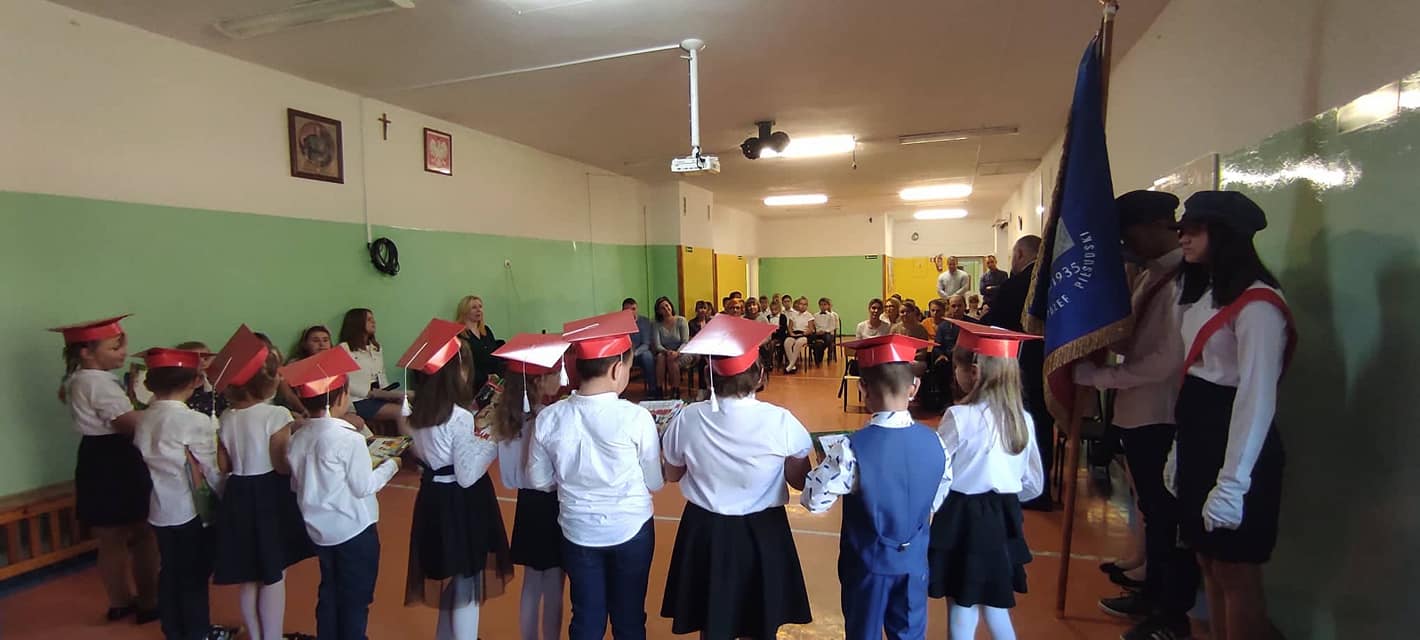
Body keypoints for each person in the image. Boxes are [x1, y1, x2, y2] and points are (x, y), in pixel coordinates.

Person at [1073, 190, 1199, 639]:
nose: (1126, 246)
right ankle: (1151, 593)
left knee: (1166, 518)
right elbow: (1130, 340)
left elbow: (1167, 360)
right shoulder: (1150, 277)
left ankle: (1167, 611)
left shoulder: (1185, 283)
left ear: (1156, 226)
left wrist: (1100, 376)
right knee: (1149, 508)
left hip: (1160, 412)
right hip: (1136, 411)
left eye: (1129, 235)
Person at [1171, 191, 1296, 640]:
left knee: (1236, 569)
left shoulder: (1258, 304)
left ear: (1225, 235)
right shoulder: (1208, 294)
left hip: (1237, 442)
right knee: (1209, 560)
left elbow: (1256, 398)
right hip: (1201, 433)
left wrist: (1234, 483)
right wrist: (1178, 449)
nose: (1183, 237)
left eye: (1195, 229)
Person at [661, 315, 814, 638]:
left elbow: (672, 473)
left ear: (709, 376)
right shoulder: (781, 421)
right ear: (759, 375)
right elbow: (800, 480)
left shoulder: (688, 418)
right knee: (761, 616)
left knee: (712, 617)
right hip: (763, 530)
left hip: (705, 529)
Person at [801, 334, 951, 640]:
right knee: (910, 633)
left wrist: (824, 467)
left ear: (863, 388)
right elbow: (937, 497)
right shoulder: (936, 442)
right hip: (914, 561)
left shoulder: (849, 448)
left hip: (867, 564)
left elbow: (813, 501)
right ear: (914, 387)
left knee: (863, 633)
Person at [528, 311, 663, 640]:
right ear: (618, 369)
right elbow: (654, 482)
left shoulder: (549, 418)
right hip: (631, 529)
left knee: (586, 618)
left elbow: (538, 480)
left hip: (578, 532)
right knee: (629, 619)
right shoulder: (636, 417)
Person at [928, 321, 1045, 640]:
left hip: (962, 519)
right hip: (1004, 518)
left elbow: (937, 471)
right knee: (995, 606)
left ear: (973, 372)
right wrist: (1004, 492)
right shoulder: (1023, 420)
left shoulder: (959, 417)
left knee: (961, 606)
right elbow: (1033, 484)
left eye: (957, 365)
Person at [399, 319, 514, 640]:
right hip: (461, 504)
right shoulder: (458, 417)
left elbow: (435, 456)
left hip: (432, 498)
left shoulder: (414, 413)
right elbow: (466, 474)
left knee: (451, 579)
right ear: (457, 371)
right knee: (466, 583)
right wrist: (492, 439)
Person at [282, 348, 401, 640]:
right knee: (356, 598)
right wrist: (392, 465)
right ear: (340, 398)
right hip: (354, 530)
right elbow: (363, 486)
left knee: (330, 590)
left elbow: (296, 485)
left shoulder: (298, 438)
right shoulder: (348, 439)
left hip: (320, 531)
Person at [49, 315, 160, 624]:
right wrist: (161, 411)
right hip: (117, 458)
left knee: (110, 538)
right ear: (86, 352)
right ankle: (150, 602)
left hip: (95, 456)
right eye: (114, 348)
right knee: (143, 533)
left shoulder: (79, 379)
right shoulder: (97, 382)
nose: (123, 353)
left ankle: (119, 601)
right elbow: (127, 424)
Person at [210, 326, 314, 640]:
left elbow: (224, 465)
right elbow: (281, 463)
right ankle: (272, 636)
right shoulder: (277, 415)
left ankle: (257, 636)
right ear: (267, 381)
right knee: (273, 573)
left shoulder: (227, 417)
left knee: (248, 574)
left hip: (238, 494)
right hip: (269, 495)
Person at [130, 346, 229, 640]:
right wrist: (227, 495)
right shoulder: (193, 421)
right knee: (194, 575)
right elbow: (210, 468)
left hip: (160, 507)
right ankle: (198, 632)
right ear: (194, 381)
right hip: (191, 508)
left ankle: (173, 630)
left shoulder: (144, 417)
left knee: (170, 570)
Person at [493, 334, 573, 640]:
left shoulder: (507, 417)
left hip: (526, 504)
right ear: (538, 381)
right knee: (554, 584)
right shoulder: (547, 418)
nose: (559, 380)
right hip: (550, 503)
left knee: (531, 582)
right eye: (554, 374)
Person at [982, 235, 1053, 511]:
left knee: (1022, 423)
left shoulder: (1016, 285)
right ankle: (1043, 485)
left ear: (1021, 254)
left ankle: (1024, 484)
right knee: (1043, 424)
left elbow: (997, 324)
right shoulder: (1054, 280)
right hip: (1052, 363)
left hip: (1022, 365)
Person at [283, 325, 368, 433]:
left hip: (336, 412)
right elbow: (289, 395)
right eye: (315, 340)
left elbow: (344, 393)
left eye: (325, 340)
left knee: (359, 424)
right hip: (308, 415)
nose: (321, 344)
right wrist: (304, 411)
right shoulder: (295, 365)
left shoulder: (336, 363)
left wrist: (349, 413)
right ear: (305, 344)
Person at [337, 308, 409, 434]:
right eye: (369, 320)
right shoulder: (344, 348)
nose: (374, 322)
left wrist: (388, 393)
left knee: (408, 402)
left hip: (379, 395)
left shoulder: (376, 347)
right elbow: (342, 379)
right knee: (401, 412)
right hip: (359, 400)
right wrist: (368, 393)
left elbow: (381, 373)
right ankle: (409, 443)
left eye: (373, 319)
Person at [455, 295, 505, 395]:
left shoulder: (486, 330)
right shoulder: (459, 335)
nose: (479, 310)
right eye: (474, 307)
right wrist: (485, 377)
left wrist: (497, 375)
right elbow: (464, 364)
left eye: (480, 307)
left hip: (493, 384)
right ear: (464, 311)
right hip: (473, 385)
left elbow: (495, 354)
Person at [651, 297, 693, 399]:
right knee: (660, 357)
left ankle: (675, 390)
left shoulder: (681, 320)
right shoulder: (656, 324)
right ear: (658, 311)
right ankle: (659, 389)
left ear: (671, 306)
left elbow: (685, 342)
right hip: (665, 352)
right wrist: (667, 351)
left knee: (672, 359)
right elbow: (657, 345)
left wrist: (677, 353)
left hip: (683, 351)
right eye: (662, 308)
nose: (666, 309)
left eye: (667, 305)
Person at [623, 298, 660, 400]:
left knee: (647, 356)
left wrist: (634, 353)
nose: (631, 312)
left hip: (639, 353)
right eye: (628, 310)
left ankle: (652, 389)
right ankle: (618, 391)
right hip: (625, 353)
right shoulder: (620, 322)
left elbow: (646, 343)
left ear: (637, 309)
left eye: (633, 309)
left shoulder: (644, 321)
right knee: (614, 359)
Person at [782, 296, 816, 374]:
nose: (802, 306)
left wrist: (804, 333)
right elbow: (790, 327)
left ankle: (790, 366)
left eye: (804, 304)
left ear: (807, 306)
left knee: (799, 342)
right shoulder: (793, 314)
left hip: (804, 334)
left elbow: (811, 329)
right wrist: (791, 333)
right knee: (787, 342)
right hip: (794, 333)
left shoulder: (809, 315)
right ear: (798, 305)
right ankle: (793, 366)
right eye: (801, 304)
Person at [811, 297, 840, 365]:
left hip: (828, 333)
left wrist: (825, 331)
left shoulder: (832, 315)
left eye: (825, 304)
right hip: (818, 333)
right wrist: (816, 332)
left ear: (828, 305)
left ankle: (820, 352)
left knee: (826, 338)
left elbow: (833, 327)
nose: (823, 306)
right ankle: (817, 352)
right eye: (821, 305)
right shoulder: (815, 315)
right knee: (812, 339)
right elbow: (814, 326)